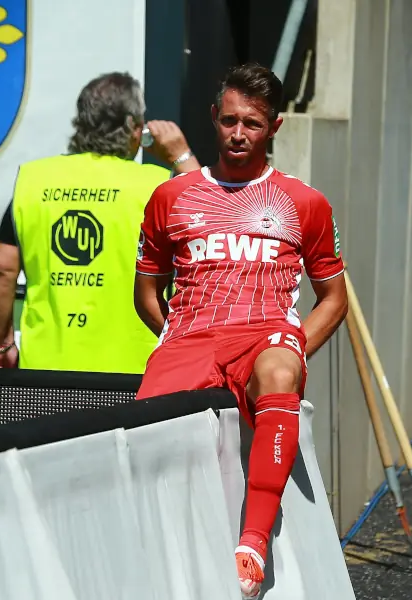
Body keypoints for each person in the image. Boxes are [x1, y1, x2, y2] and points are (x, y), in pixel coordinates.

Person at [133, 63, 349, 598]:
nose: (237, 134)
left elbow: (334, 300)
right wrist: (173, 335)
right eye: (228, 120)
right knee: (145, 443)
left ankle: (251, 544)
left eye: (251, 123)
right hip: (191, 336)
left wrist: (295, 344)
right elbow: (144, 292)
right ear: (213, 117)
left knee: (279, 369)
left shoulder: (304, 202)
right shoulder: (172, 196)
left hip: (265, 334)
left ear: (273, 127)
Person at [0, 72, 200, 371]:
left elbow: (2, 268)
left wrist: (2, 344)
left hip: (46, 367)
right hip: (134, 366)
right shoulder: (156, 184)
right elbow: (214, 220)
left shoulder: (35, 180)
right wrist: (180, 154)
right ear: (135, 129)